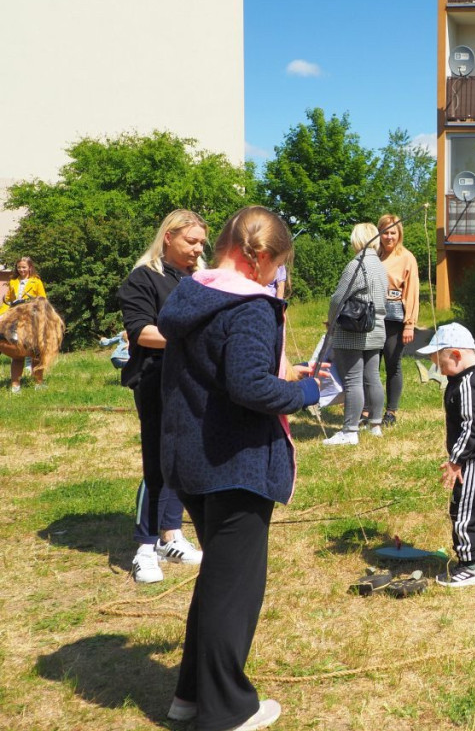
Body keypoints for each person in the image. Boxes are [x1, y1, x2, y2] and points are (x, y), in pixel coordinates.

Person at [159, 205, 322, 731]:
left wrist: (283, 374)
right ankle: (227, 711)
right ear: (259, 257)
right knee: (235, 591)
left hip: (191, 460)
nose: (278, 277)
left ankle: (189, 696)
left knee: (218, 582)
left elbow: (222, 372)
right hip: (236, 464)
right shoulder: (250, 305)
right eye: (279, 266)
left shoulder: (191, 293)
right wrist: (306, 390)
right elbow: (249, 385)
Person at [118, 211, 206, 583]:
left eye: (201, 241)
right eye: (191, 241)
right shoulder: (143, 278)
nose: (198, 248)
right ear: (168, 237)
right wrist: (190, 339)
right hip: (156, 380)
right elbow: (142, 332)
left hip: (194, 381)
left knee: (182, 460)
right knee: (156, 461)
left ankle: (170, 535)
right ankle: (144, 547)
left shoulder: (201, 278)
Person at [416, 323, 475, 587]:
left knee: (463, 511)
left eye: (439, 363)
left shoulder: (468, 384)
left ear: (455, 355)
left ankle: (468, 566)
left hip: (473, 460)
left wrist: (456, 460)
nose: (438, 370)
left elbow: (471, 426)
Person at [322, 222, 388, 446]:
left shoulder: (357, 264)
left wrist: (331, 321)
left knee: (353, 380)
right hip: (378, 326)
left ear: (357, 239)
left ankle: (350, 431)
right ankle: (375, 424)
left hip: (354, 328)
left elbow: (338, 298)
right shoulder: (379, 265)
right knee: (373, 377)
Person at [375, 213, 420, 426]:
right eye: (385, 232)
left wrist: (409, 324)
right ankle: (368, 410)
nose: (389, 237)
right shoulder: (373, 255)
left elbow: (412, 292)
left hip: (394, 317)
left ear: (399, 233)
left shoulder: (407, 258)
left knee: (393, 363)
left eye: (393, 232)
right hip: (372, 315)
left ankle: (391, 411)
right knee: (371, 364)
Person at [1, 257, 48, 391]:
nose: (21, 270)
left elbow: (42, 299)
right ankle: (15, 386)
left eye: (24, 267)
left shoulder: (36, 281)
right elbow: (8, 300)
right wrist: (2, 313)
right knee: (15, 350)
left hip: (31, 312)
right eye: (19, 267)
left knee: (37, 351)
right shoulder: (13, 281)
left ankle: (38, 383)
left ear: (30, 268)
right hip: (16, 312)